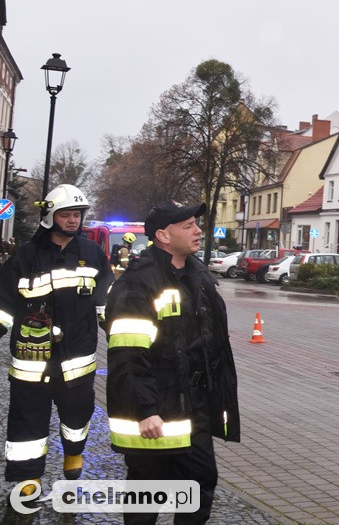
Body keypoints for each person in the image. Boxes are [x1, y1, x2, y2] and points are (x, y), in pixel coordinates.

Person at [105, 200, 240, 524]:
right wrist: (145, 409)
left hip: (193, 410)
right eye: (188, 225)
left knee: (200, 485)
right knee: (146, 496)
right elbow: (127, 353)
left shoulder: (199, 275)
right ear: (163, 236)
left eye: (196, 224)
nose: (198, 230)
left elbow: (212, 345)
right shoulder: (138, 284)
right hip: (154, 412)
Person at [0, 184, 113, 496]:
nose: (73, 220)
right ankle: (28, 480)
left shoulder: (92, 254)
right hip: (32, 363)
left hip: (76, 362)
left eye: (77, 214)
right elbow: (3, 305)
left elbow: (107, 301)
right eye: (66, 214)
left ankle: (73, 453)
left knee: (77, 417)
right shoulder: (25, 257)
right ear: (50, 216)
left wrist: (118, 332)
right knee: (27, 424)